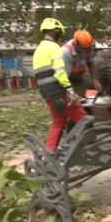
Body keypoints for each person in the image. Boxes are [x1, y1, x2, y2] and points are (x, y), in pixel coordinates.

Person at [32, 18, 87, 152]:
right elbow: (60, 72)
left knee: (58, 123)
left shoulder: (38, 50)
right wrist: (69, 90)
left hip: (48, 95)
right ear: (56, 32)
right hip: (60, 93)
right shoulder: (54, 48)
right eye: (59, 33)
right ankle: (89, 149)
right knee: (85, 120)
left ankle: (48, 154)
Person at [62, 30, 101, 95]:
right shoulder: (66, 52)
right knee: (75, 98)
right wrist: (70, 91)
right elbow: (64, 76)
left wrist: (94, 80)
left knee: (86, 94)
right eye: (85, 48)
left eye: (89, 48)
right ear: (76, 44)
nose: (87, 51)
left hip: (79, 77)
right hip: (68, 79)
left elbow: (90, 63)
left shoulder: (88, 47)